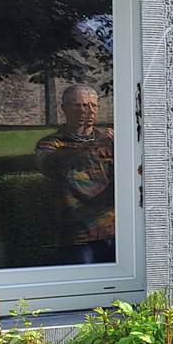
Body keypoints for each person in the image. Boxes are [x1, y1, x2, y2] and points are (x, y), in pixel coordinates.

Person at [35, 83, 115, 265]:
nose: (88, 111)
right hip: (77, 235)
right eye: (80, 105)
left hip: (115, 231)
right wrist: (94, 147)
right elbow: (50, 165)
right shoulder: (52, 144)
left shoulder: (110, 140)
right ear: (64, 109)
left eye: (93, 105)